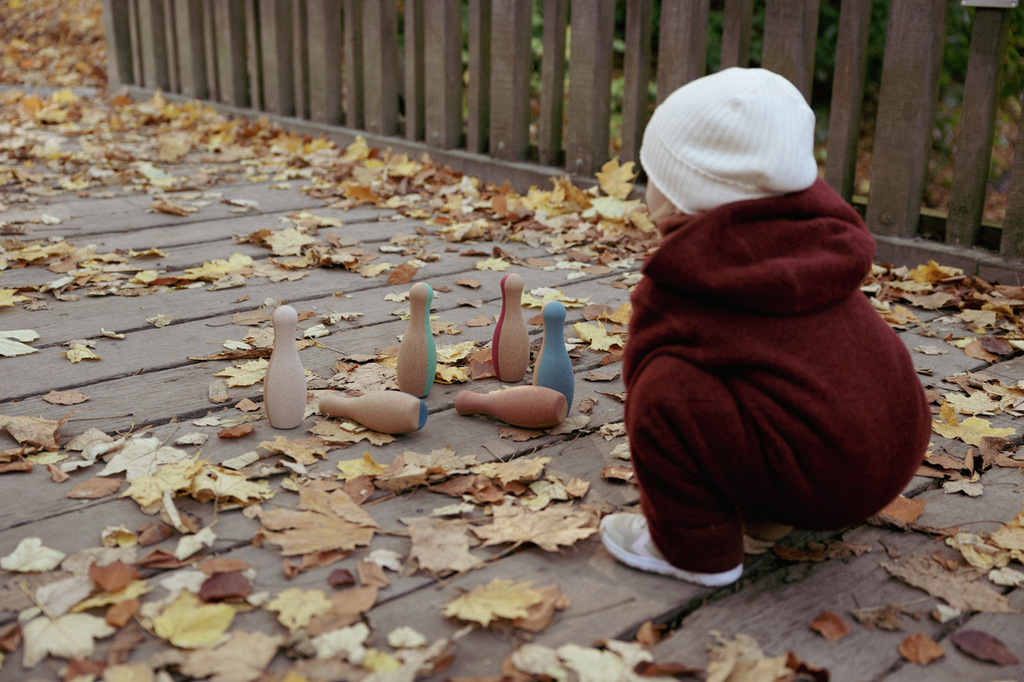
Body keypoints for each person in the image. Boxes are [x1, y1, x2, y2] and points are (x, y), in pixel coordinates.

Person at [599, 67, 931, 587]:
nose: (645, 193)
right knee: (795, 371)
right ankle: (771, 511)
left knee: (662, 392)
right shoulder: (816, 242)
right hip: (890, 453)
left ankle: (692, 550)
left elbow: (641, 373)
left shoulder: (687, 279)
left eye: (653, 177)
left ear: (688, 195)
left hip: (824, 473)